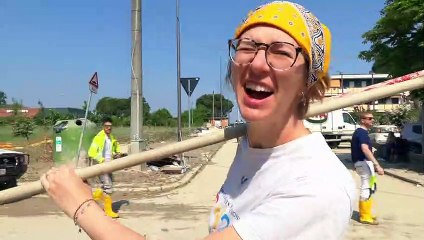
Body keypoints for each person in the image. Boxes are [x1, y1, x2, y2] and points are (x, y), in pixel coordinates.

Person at [40, 1, 356, 239]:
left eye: (281, 52)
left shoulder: (315, 185)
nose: (258, 63)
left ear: (308, 82)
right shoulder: (252, 144)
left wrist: (82, 206)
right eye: (248, 46)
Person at [351, 112, 384, 225]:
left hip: (361, 163)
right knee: (366, 187)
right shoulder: (362, 133)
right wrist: (377, 165)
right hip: (363, 163)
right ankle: (364, 216)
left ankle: (366, 213)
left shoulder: (360, 132)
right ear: (362, 120)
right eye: (369, 118)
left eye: (372, 118)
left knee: (370, 186)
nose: (372, 120)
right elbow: (365, 149)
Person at [87, 117, 122, 218]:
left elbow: (114, 148)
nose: (109, 128)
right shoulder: (98, 137)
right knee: (108, 187)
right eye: (107, 126)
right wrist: (101, 160)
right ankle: (108, 211)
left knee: (107, 186)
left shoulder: (111, 137)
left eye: (110, 126)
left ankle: (96, 196)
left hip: (109, 165)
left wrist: (117, 153)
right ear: (103, 127)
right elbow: (91, 152)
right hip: (101, 166)